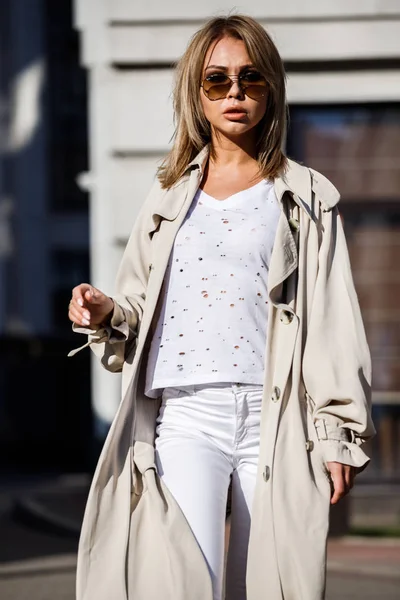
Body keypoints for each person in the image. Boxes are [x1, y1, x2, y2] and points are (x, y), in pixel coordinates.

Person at [68, 15, 375, 600]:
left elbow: (334, 321)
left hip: (276, 420)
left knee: (270, 587)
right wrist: (107, 310)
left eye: (250, 78)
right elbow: (139, 302)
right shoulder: (167, 196)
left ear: (270, 89)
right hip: (186, 416)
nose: (235, 93)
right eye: (217, 81)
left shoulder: (305, 196)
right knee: (187, 583)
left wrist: (340, 431)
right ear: (197, 92)